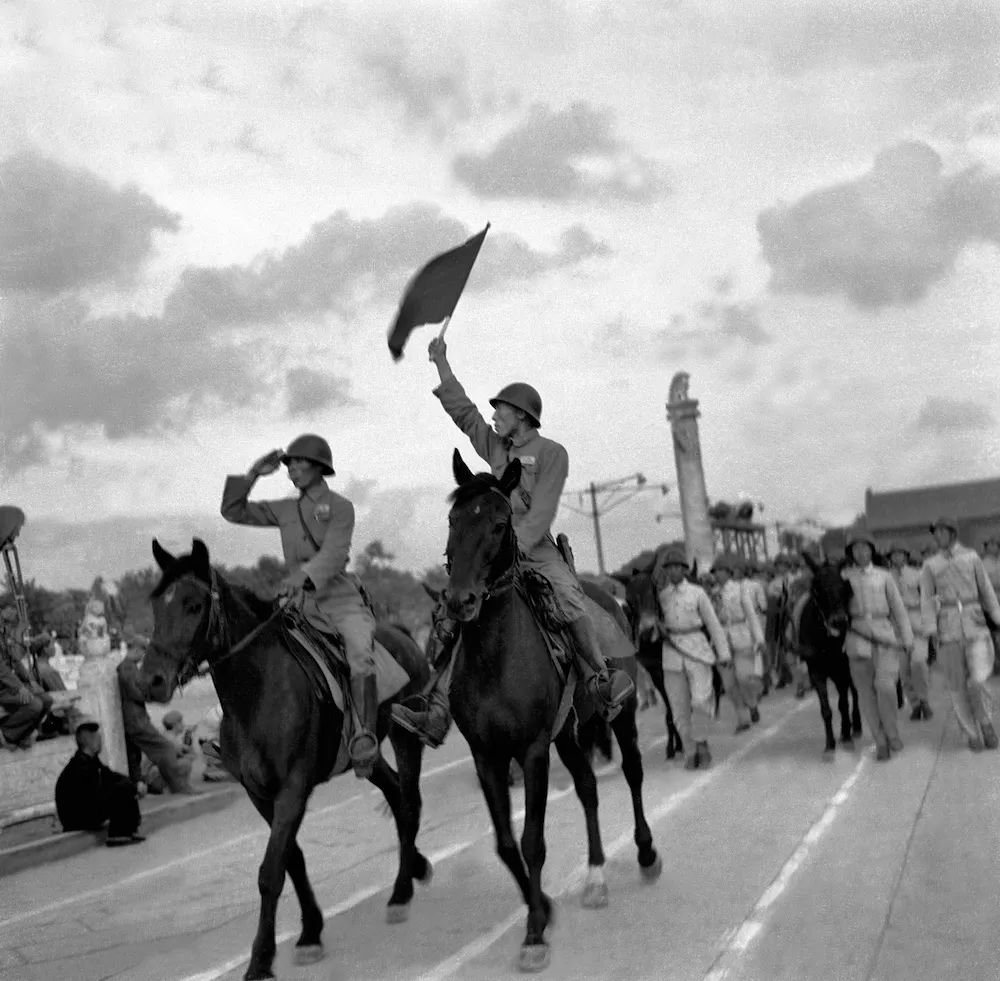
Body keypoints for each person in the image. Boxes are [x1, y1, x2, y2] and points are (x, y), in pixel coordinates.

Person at [391, 337, 634, 747]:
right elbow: (465, 414)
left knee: (570, 597)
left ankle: (600, 677)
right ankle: (436, 706)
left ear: (521, 415)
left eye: (499, 410)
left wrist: (517, 545)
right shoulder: (496, 448)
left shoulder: (553, 453)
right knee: (453, 606)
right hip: (495, 552)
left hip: (536, 552)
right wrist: (441, 364)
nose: (493, 416)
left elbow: (542, 512)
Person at [221, 434, 381, 778]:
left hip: (339, 599)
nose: (291, 468)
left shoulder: (341, 506)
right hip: (297, 604)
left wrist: (303, 576)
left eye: (298, 462)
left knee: (359, 653)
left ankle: (364, 734)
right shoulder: (285, 509)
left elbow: (336, 553)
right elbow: (232, 511)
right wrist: (252, 475)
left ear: (319, 467)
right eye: (288, 463)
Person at [921, 517, 1000, 751]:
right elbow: (926, 599)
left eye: (943, 532)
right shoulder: (930, 565)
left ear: (953, 533)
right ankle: (970, 732)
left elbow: (986, 590)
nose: (938, 536)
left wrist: (997, 617)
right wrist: (931, 630)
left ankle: (986, 723)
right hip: (948, 629)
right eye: (935, 532)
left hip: (974, 623)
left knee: (979, 680)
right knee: (956, 685)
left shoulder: (972, 557)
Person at [655, 547, 731, 769]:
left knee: (700, 700)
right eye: (670, 568)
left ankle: (702, 744)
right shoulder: (661, 597)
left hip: (697, 651)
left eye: (678, 567)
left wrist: (723, 652)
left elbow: (713, 624)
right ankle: (690, 751)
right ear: (666, 572)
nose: (674, 571)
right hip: (671, 655)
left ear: (685, 570)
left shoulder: (697, 593)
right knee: (678, 708)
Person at [843, 528, 913, 761]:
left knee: (886, 687)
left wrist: (907, 638)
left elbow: (899, 609)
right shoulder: (844, 577)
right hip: (857, 637)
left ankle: (892, 732)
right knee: (865, 694)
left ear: (872, 550)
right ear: (850, 552)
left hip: (884, 636)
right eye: (856, 548)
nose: (861, 552)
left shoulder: (884, 576)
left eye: (865, 548)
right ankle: (880, 740)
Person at [117, 642, 196, 793]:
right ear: (136, 650)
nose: (143, 656)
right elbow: (136, 692)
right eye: (143, 652)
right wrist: (153, 695)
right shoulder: (127, 668)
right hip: (136, 720)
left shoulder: (128, 667)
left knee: (134, 757)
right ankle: (178, 785)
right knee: (165, 748)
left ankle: (137, 787)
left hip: (133, 719)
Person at [54, 715, 145, 847]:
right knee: (121, 789)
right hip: (76, 818)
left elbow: (111, 775)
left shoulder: (91, 760)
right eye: (97, 738)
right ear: (88, 741)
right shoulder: (79, 766)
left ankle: (130, 829)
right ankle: (118, 834)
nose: (100, 741)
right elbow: (97, 791)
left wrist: (135, 785)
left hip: (85, 809)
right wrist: (131, 788)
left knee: (124, 785)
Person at [712, 555, 764, 731]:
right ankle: (743, 720)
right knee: (729, 684)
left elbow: (751, 614)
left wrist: (759, 639)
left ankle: (752, 702)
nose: (718, 575)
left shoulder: (741, 589)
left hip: (742, 634)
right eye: (716, 571)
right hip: (721, 640)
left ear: (728, 572)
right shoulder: (712, 594)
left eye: (721, 571)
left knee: (744, 677)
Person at [886, 543, 934, 721]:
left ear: (906, 556)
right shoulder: (885, 577)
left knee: (919, 663)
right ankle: (914, 704)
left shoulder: (917, 574)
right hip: (896, 628)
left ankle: (924, 700)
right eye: (894, 555)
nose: (897, 557)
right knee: (903, 670)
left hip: (916, 625)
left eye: (900, 554)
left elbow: (928, 598)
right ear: (890, 558)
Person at [0, 607, 51, 749]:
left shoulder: (4, 637)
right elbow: (2, 669)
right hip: (4, 689)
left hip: (9, 686)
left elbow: (15, 662)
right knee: (34, 705)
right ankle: (7, 734)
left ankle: (23, 735)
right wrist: (20, 687)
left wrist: (32, 682)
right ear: (8, 624)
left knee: (46, 700)